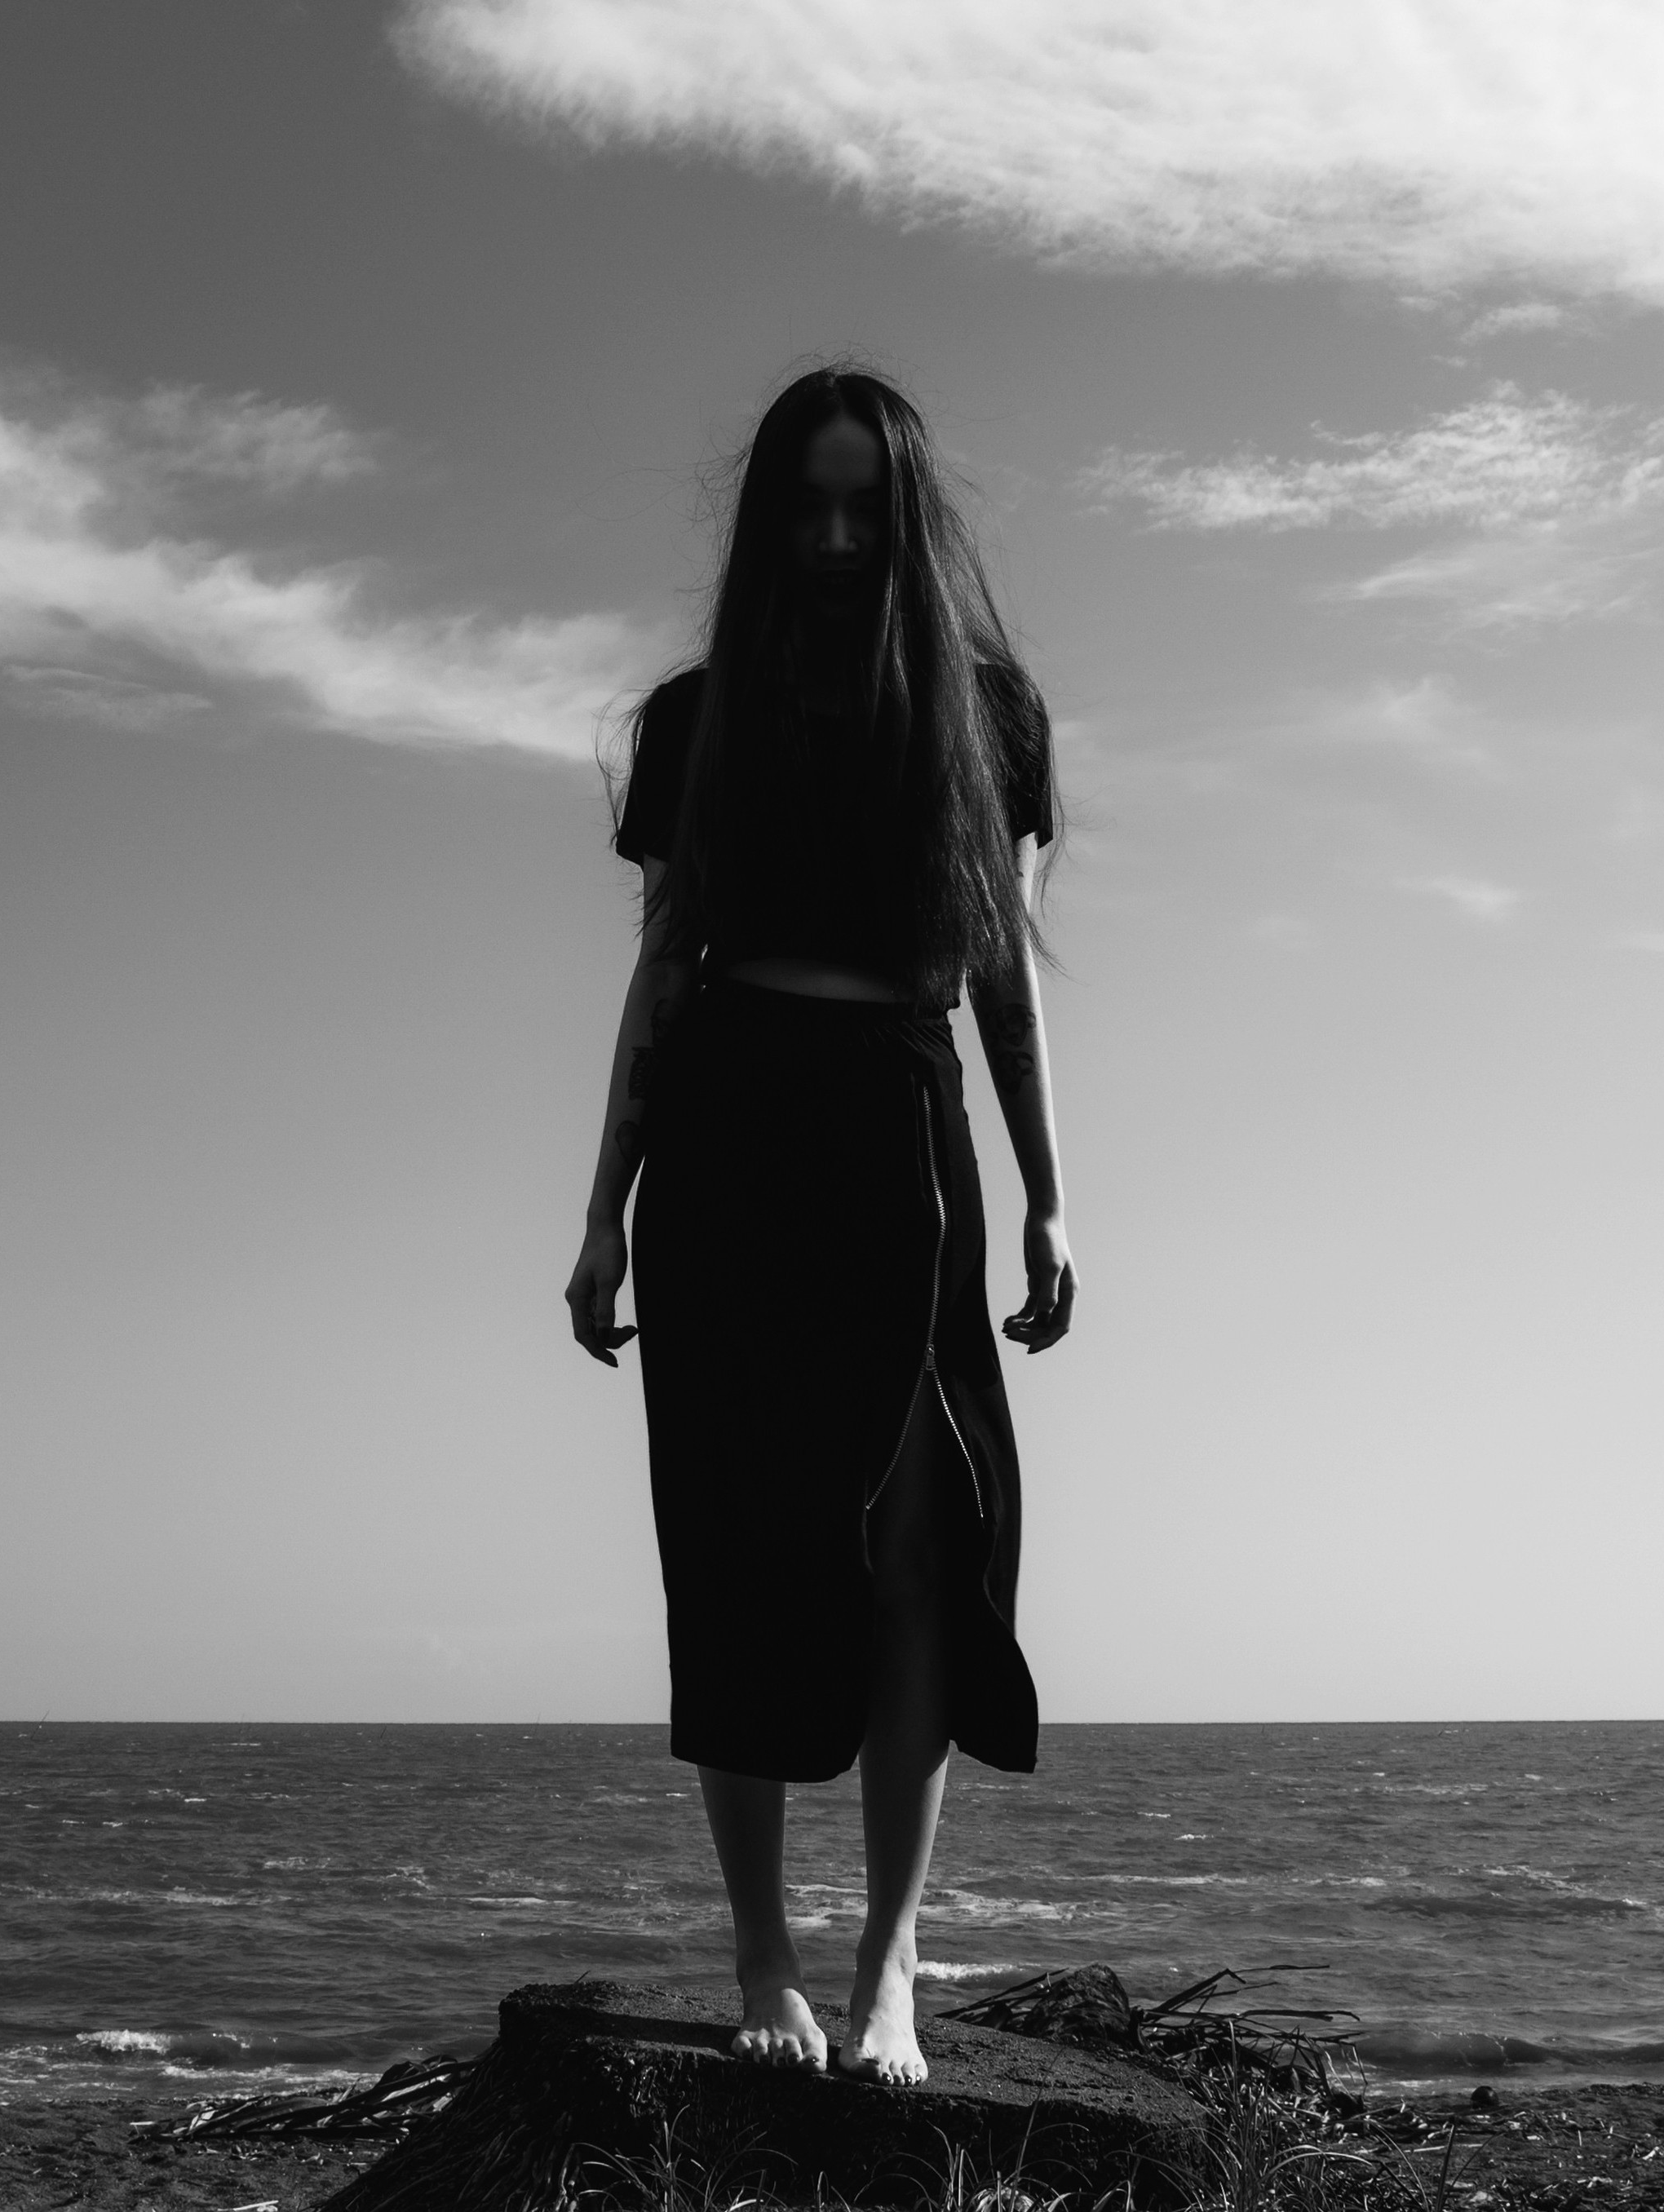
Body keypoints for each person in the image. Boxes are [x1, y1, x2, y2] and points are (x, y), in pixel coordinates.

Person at [564, 366, 1077, 2087]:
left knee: (929, 1542)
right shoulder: (695, 720)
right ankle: (761, 1957)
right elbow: (658, 974)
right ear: (774, 517)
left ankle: (891, 1968)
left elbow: (1004, 982)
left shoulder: (989, 718)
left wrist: (1053, 1200)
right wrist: (600, 1219)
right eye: (811, 504)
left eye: (870, 505)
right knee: (740, 1543)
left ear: (911, 519)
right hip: (725, 1133)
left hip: (900, 1118)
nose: (842, 534)